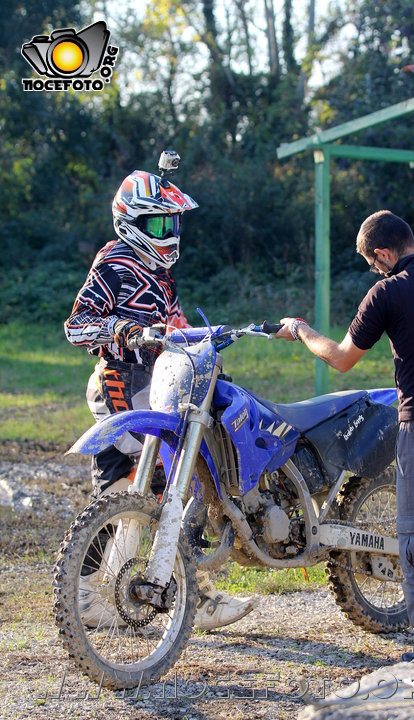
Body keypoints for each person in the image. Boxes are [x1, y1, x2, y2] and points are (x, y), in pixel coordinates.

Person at [276, 209, 414, 664]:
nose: (375, 268)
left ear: (384, 253)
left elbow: (343, 358)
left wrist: (301, 330)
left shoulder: (388, 292)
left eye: (373, 262)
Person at [65, 152, 257, 631]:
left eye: (172, 222)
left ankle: (186, 594)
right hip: (120, 380)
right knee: (127, 485)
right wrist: (129, 332)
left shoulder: (160, 274)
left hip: (162, 381)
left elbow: (172, 323)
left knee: (177, 481)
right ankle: (92, 592)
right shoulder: (115, 261)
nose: (168, 233)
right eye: (157, 222)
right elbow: (78, 325)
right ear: (131, 222)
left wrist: (200, 339)